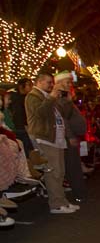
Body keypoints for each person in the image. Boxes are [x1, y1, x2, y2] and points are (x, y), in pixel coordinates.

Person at [25, 71, 77, 214]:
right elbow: (40, 114)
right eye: (48, 82)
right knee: (53, 172)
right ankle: (56, 204)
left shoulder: (48, 96)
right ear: (39, 81)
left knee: (60, 172)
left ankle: (62, 201)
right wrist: (52, 97)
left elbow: (65, 114)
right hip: (45, 138)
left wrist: (68, 101)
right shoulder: (32, 96)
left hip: (56, 138)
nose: (51, 85)